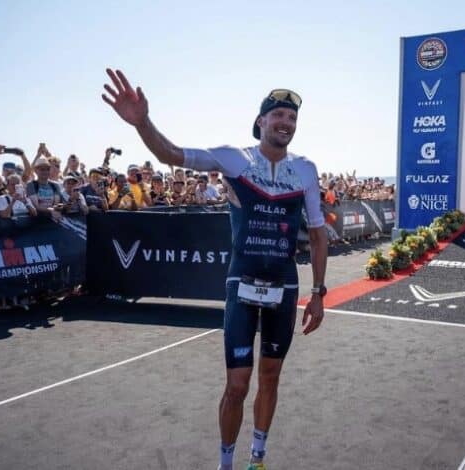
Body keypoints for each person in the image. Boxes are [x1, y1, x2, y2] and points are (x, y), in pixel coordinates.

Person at [102, 69, 328, 470]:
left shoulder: (306, 170)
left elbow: (316, 233)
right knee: (237, 385)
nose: (285, 123)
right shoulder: (234, 158)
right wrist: (142, 123)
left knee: (271, 378)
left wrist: (320, 293)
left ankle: (257, 459)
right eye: (277, 115)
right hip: (241, 283)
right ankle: (226, 463)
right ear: (260, 121)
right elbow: (171, 155)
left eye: (292, 118)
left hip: (285, 285)